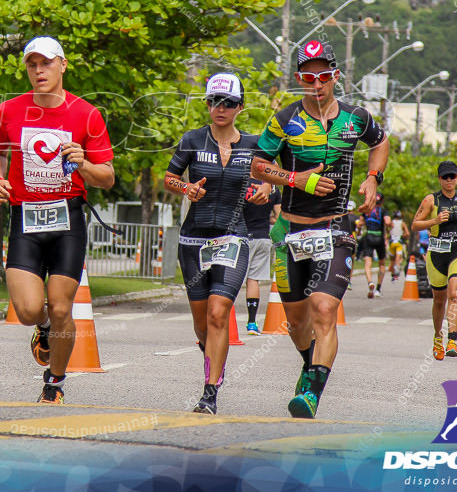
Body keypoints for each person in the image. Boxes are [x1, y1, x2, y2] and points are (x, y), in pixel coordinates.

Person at [251, 40, 389, 419]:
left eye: (324, 76)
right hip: (290, 233)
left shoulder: (355, 117)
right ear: (300, 79)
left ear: (335, 76)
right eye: (309, 77)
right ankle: (310, 364)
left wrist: (373, 178)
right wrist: (296, 179)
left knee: (324, 308)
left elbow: (381, 142)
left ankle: (312, 391)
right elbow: (258, 166)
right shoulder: (284, 119)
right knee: (297, 323)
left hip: (336, 228)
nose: (317, 83)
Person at [0, 35, 115, 405]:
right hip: (24, 219)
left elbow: (107, 176)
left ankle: (54, 382)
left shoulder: (86, 114)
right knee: (29, 310)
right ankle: (42, 328)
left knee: (62, 307)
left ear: (63, 65)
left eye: (46, 63)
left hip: (67, 220)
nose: (39, 70)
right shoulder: (9, 110)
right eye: (32, 64)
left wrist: (84, 163)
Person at [163, 73, 271, 415]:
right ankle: (213, 359)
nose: (219, 108)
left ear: (240, 107)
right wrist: (186, 189)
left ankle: (210, 393)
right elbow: (168, 178)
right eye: (213, 102)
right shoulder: (192, 140)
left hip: (233, 236)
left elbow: (273, 181)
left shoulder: (255, 146)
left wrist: (266, 191)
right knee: (201, 323)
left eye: (227, 103)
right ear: (207, 105)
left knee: (218, 312)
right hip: (193, 238)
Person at [411, 160, 457, 360]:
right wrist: (435, 221)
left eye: (452, 177)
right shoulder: (431, 200)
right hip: (437, 253)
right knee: (439, 300)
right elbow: (415, 224)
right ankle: (438, 337)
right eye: (445, 177)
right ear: (439, 179)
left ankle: (452, 340)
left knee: (454, 292)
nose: (449, 181)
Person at [243, 179, 280, 335]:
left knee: (228, 280)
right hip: (262, 237)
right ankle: (252, 323)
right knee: (253, 279)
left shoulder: (242, 182)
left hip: (239, 236)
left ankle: (221, 322)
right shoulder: (273, 188)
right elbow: (279, 216)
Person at [359, 193, 391, 297]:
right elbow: (388, 221)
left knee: (367, 262)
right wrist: (390, 226)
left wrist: (359, 229)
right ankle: (378, 288)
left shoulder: (366, 211)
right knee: (381, 263)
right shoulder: (384, 211)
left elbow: (360, 223)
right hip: (379, 238)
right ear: (382, 201)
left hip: (368, 237)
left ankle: (370, 282)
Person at [387, 209, 410, 280]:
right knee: (398, 258)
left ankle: (393, 273)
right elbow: (407, 233)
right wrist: (403, 235)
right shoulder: (402, 223)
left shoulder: (391, 223)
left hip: (391, 243)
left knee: (392, 259)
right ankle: (396, 273)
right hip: (399, 243)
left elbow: (387, 230)